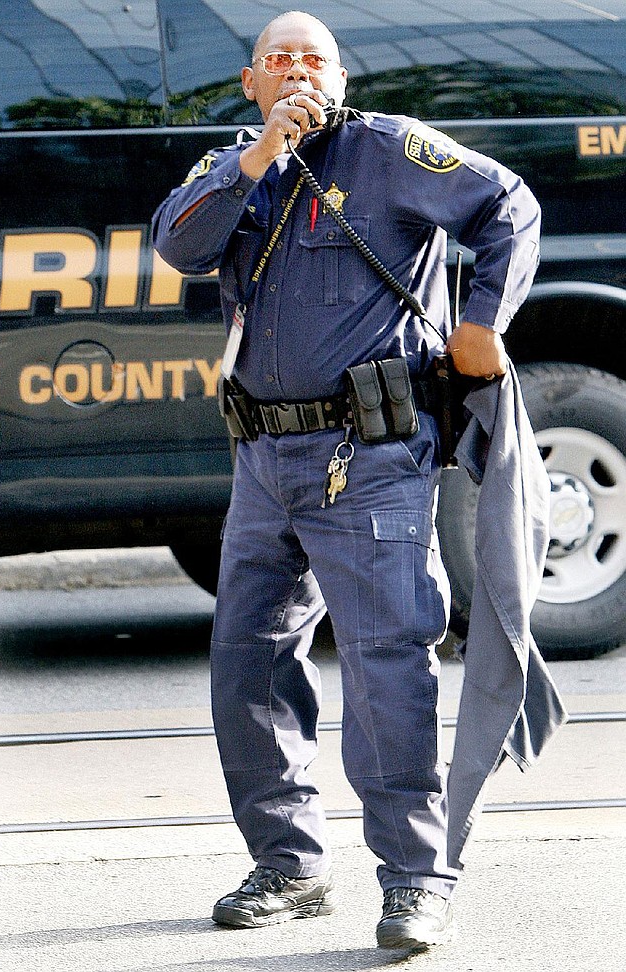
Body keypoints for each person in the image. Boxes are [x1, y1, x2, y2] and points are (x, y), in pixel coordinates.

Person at [152, 9, 541, 953]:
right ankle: (287, 863)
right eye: (276, 61)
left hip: (368, 459)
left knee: (384, 669)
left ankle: (415, 880)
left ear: (341, 73)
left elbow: (509, 207)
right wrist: (260, 159)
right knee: (247, 662)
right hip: (262, 465)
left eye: (313, 59)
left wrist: (484, 320)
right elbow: (178, 244)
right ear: (252, 85)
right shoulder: (233, 168)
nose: (295, 73)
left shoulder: (392, 152)